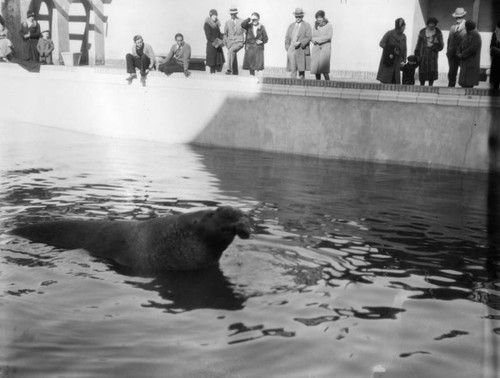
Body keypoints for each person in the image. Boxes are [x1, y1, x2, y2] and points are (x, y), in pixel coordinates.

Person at [376, 18, 407, 84]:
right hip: (389, 60)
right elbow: (381, 43)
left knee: (395, 82)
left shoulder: (404, 37)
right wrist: (391, 49)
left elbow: (405, 49)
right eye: (403, 27)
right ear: (399, 27)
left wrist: (404, 60)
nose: (404, 28)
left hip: (397, 62)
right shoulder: (389, 33)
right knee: (385, 81)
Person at [414, 17, 444, 86]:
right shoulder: (422, 33)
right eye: (430, 25)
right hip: (423, 54)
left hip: (432, 55)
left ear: (435, 25)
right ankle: (422, 85)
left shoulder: (438, 34)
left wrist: (435, 47)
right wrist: (417, 54)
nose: (431, 27)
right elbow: (418, 44)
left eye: (433, 25)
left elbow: (441, 46)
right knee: (422, 71)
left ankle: (431, 86)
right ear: (427, 25)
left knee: (432, 71)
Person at [285, 8, 312, 79]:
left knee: (301, 70)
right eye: (296, 16)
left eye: (299, 16)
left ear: (302, 16)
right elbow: (287, 37)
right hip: (291, 49)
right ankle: (292, 87)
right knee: (293, 69)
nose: (298, 18)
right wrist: (288, 47)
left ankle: (301, 87)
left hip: (301, 49)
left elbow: (308, 37)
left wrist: (300, 42)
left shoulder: (307, 25)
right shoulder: (291, 25)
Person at [457, 20, 482, 88]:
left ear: (469, 27)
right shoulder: (466, 34)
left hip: (471, 60)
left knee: (469, 81)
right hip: (464, 60)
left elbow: (473, 48)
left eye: (466, 26)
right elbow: (460, 45)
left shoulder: (476, 35)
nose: (465, 28)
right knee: (464, 82)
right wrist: (458, 52)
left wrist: (462, 54)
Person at [447, 7, 467, 87]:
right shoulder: (452, 27)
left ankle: (464, 88)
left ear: (463, 16)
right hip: (452, 54)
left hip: (462, 54)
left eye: (460, 17)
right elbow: (449, 40)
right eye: (457, 17)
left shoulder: (467, 27)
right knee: (452, 72)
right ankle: (450, 87)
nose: (458, 18)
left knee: (463, 72)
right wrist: (448, 51)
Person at [311, 10, 333, 81]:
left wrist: (318, 40)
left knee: (324, 70)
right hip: (316, 49)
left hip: (325, 50)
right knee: (317, 70)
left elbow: (329, 36)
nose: (319, 19)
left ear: (323, 17)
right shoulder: (315, 26)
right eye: (317, 17)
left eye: (320, 17)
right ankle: (318, 86)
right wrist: (313, 41)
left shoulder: (329, 25)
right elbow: (312, 37)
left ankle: (329, 85)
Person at [223, 7, 245, 75]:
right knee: (233, 54)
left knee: (231, 51)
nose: (232, 15)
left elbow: (246, 32)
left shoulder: (242, 21)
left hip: (239, 42)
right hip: (230, 43)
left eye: (234, 14)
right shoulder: (227, 22)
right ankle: (235, 72)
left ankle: (229, 69)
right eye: (231, 14)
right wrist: (226, 42)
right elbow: (225, 34)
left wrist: (245, 41)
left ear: (236, 13)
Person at [204, 9, 225, 74]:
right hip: (211, 47)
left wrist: (224, 35)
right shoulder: (207, 24)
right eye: (213, 15)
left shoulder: (216, 25)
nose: (215, 16)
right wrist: (219, 42)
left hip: (218, 47)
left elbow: (219, 34)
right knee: (212, 64)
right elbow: (209, 37)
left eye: (216, 15)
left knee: (219, 64)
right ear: (210, 16)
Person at [490, 21, 500, 92]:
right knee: (496, 76)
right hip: (497, 58)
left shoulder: (495, 33)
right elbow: (491, 46)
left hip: (497, 58)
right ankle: (495, 89)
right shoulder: (495, 33)